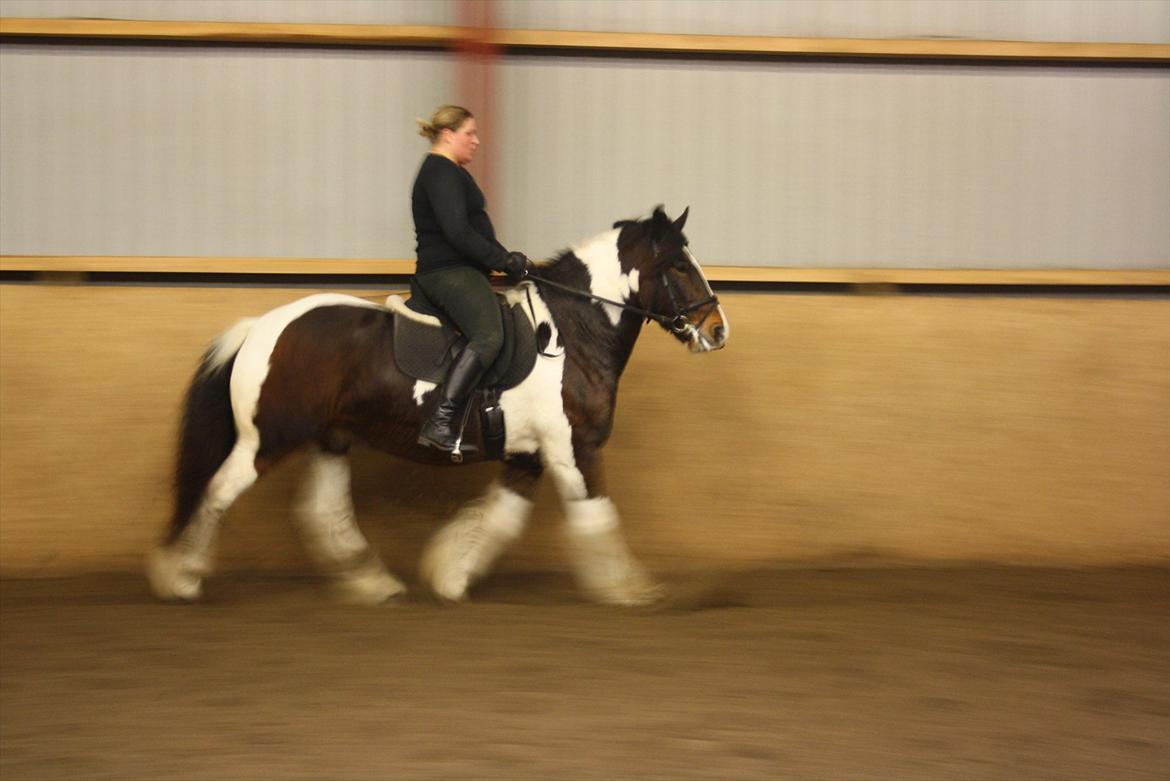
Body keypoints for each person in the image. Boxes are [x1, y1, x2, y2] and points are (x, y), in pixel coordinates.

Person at [410, 105, 531, 454]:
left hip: (462, 269)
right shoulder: (440, 171)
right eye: (470, 133)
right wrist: (502, 260)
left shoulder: (448, 171)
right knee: (489, 335)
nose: (477, 142)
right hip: (448, 271)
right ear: (448, 135)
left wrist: (511, 260)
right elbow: (458, 232)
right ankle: (441, 421)